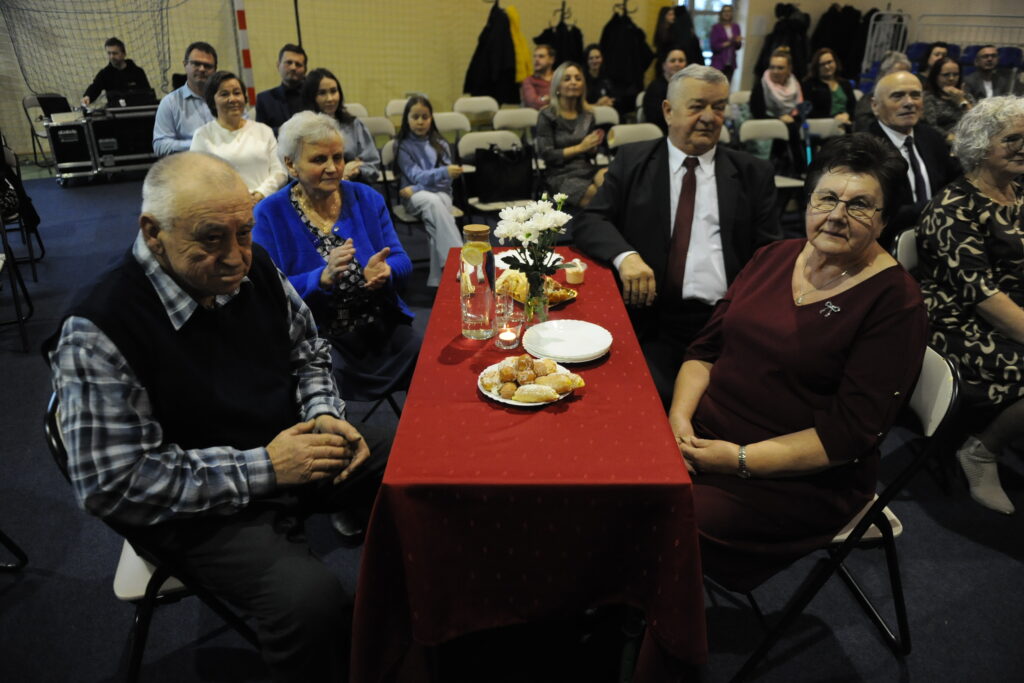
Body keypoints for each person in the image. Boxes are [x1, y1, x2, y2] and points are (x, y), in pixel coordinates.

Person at [46, 152, 391, 681]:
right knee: (309, 602)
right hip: (195, 509)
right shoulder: (99, 327)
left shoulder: (256, 268)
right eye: (211, 238)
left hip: (283, 447)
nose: (236, 258)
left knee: (411, 462)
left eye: (245, 233)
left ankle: (411, 628)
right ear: (153, 232)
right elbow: (113, 484)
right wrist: (268, 468)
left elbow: (308, 353)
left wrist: (323, 413)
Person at [671, 133, 927, 591]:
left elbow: (850, 434)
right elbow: (705, 351)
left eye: (860, 205)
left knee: (663, 516)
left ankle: (655, 634)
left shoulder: (895, 303)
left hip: (799, 478)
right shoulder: (773, 256)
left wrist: (740, 460)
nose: (836, 215)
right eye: (826, 198)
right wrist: (678, 419)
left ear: (885, 220)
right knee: (620, 479)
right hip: (703, 437)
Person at [572, 65, 780, 406]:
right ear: (668, 111)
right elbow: (590, 221)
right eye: (697, 106)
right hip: (654, 321)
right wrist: (627, 257)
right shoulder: (633, 161)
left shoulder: (752, 173)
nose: (709, 118)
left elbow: (770, 252)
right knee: (639, 401)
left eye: (719, 107)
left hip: (727, 323)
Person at [254, 111, 421, 406]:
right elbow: (266, 293)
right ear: (291, 164)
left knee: (424, 357)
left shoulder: (367, 198)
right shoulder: (269, 214)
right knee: (323, 383)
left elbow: (401, 259)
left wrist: (385, 271)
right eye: (319, 160)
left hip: (379, 324)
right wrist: (320, 278)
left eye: (338, 157)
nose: (333, 168)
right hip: (321, 337)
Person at [915, 97, 1024, 515]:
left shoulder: (1017, 192)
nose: (1021, 146)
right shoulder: (954, 208)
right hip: (960, 323)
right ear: (980, 145)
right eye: (1011, 139)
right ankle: (982, 449)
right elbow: (983, 297)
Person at [867, 70, 960, 249]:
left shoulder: (931, 137)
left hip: (939, 239)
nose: (909, 103)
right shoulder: (865, 149)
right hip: (883, 247)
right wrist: (937, 206)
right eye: (898, 96)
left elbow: (952, 180)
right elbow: (877, 214)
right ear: (875, 106)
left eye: (915, 95)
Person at [394, 96, 464, 288]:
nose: (420, 121)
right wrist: (438, 175)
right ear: (407, 119)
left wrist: (417, 187)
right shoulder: (403, 146)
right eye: (415, 116)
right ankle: (461, 261)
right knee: (433, 204)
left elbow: (445, 181)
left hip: (433, 193)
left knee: (435, 219)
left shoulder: (440, 144)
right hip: (415, 200)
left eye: (424, 117)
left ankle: (438, 281)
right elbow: (416, 175)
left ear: (431, 118)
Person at [190, 71, 287, 203]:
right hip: (226, 210)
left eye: (237, 93)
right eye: (224, 94)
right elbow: (198, 180)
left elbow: (280, 172)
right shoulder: (202, 136)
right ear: (212, 101)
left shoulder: (264, 131)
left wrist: (259, 194)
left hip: (264, 205)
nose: (233, 99)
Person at [536, 61, 608, 209]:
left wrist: (593, 147)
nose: (573, 82)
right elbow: (547, 154)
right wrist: (581, 147)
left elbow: (590, 156)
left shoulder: (588, 115)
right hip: (559, 175)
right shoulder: (547, 115)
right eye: (567, 79)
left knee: (611, 181)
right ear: (557, 86)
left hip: (586, 169)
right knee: (596, 194)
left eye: (578, 78)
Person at [302, 68, 381, 184]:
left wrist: (357, 170)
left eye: (333, 91)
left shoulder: (354, 125)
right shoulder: (303, 129)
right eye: (322, 93)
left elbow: (372, 165)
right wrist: (343, 170)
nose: (330, 98)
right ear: (311, 97)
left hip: (354, 186)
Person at [152, 42, 217, 156]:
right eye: (196, 64)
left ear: (215, 70)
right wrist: (198, 144)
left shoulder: (228, 99)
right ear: (185, 65)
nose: (202, 69)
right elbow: (160, 145)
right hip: (188, 168)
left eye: (207, 66)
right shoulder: (170, 103)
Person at [751, 47, 806, 174]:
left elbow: (800, 111)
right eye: (772, 67)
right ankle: (798, 170)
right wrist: (779, 119)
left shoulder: (796, 85)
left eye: (780, 68)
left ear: (789, 69)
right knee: (789, 127)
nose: (775, 71)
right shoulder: (761, 85)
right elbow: (757, 114)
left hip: (791, 129)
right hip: (765, 129)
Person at [81, 37, 151, 107]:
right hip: (114, 113)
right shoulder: (105, 74)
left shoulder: (138, 72)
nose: (111, 57)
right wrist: (88, 96)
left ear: (123, 54)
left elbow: (148, 93)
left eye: (115, 53)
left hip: (137, 111)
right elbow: (95, 87)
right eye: (109, 53)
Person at [255, 43, 308, 136]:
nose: (293, 67)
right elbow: (260, 134)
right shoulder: (264, 99)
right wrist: (284, 131)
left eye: (298, 64)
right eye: (289, 62)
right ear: (278, 65)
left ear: (305, 70)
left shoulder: (313, 96)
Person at [853, 50, 911, 133]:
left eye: (906, 75)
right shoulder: (869, 100)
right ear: (884, 74)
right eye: (897, 74)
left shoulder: (910, 101)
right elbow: (863, 129)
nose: (902, 79)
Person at [923, 57, 974, 142]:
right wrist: (949, 138)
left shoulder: (965, 96)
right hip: (942, 142)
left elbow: (978, 120)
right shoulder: (929, 97)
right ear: (936, 76)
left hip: (969, 140)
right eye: (946, 75)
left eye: (955, 74)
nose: (951, 78)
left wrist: (961, 101)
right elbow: (930, 126)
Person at [803, 47, 855, 130]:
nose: (827, 67)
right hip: (822, 127)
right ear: (816, 67)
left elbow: (853, 107)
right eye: (822, 64)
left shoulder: (845, 84)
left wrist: (847, 115)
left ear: (835, 62)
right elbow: (809, 112)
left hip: (846, 124)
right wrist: (834, 118)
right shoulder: (809, 85)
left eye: (829, 62)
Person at [642, 48, 688, 134]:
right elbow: (654, 117)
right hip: (662, 132)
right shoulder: (655, 88)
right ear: (664, 65)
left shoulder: (691, 86)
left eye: (681, 60)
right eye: (673, 61)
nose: (677, 64)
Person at [709, 5, 742, 82]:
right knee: (717, 85)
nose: (727, 13)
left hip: (731, 61)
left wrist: (737, 41)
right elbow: (714, 46)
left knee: (727, 85)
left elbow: (738, 46)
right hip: (718, 62)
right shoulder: (716, 27)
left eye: (729, 11)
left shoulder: (736, 26)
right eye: (725, 11)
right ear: (721, 13)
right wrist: (730, 42)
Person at [522, 44, 556, 110]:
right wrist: (553, 99)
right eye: (535, 56)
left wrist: (545, 98)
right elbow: (533, 103)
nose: (536, 59)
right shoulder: (529, 80)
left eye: (541, 56)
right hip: (537, 117)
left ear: (551, 60)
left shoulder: (559, 78)